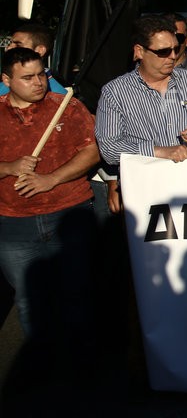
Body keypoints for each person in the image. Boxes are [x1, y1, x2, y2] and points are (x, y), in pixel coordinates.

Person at [0, 47, 100, 356]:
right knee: (29, 299)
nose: (38, 83)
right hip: (13, 223)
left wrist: (51, 179)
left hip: (69, 214)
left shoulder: (67, 106)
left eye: (42, 74)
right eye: (27, 77)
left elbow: (93, 151)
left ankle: (81, 365)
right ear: (6, 80)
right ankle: (43, 364)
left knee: (77, 293)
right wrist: (9, 167)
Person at [95, 15, 187, 211]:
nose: (173, 56)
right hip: (145, 191)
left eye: (176, 48)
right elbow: (109, 148)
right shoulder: (114, 92)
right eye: (163, 51)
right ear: (139, 51)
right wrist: (160, 151)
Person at [0, 22, 67, 96]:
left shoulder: (59, 97)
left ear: (40, 50)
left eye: (18, 45)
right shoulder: (3, 87)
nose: (8, 48)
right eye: (27, 78)